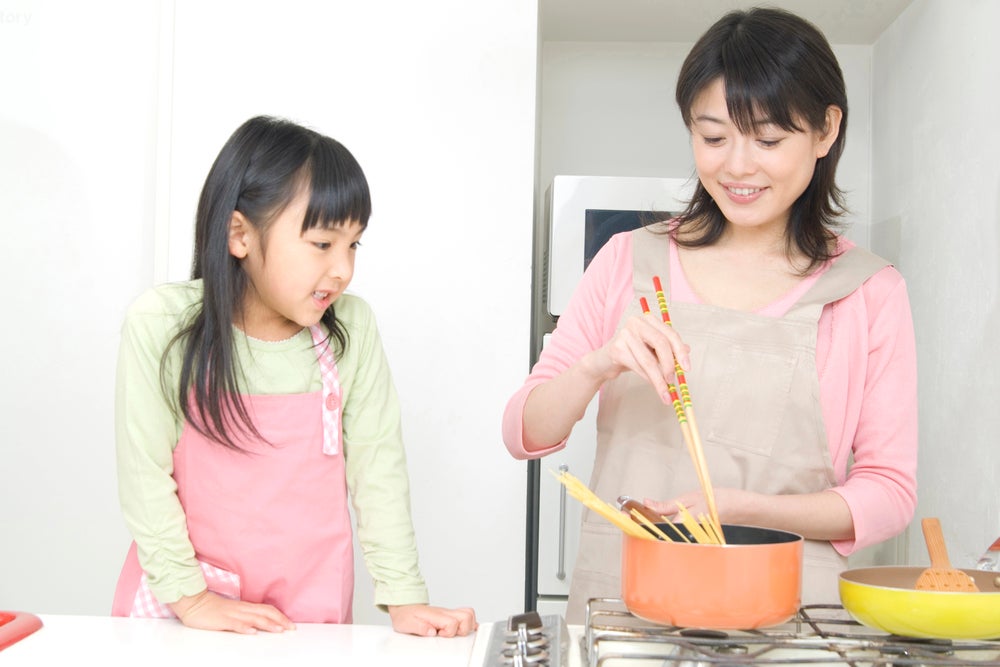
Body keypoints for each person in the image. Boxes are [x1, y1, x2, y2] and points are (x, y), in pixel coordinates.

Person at [502, 7, 917, 624]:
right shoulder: (628, 261)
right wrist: (597, 363)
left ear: (826, 131)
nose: (737, 167)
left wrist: (739, 508)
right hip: (631, 611)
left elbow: (889, 494)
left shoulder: (867, 291)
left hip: (795, 620)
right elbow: (523, 433)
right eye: (713, 137)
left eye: (769, 140)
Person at [112, 115, 477, 637]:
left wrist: (405, 598)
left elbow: (378, 471)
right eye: (323, 244)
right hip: (187, 609)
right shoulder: (162, 324)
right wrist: (193, 601)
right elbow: (145, 478)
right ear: (240, 234)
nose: (343, 270)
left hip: (308, 615)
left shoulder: (351, 326)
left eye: (354, 245)